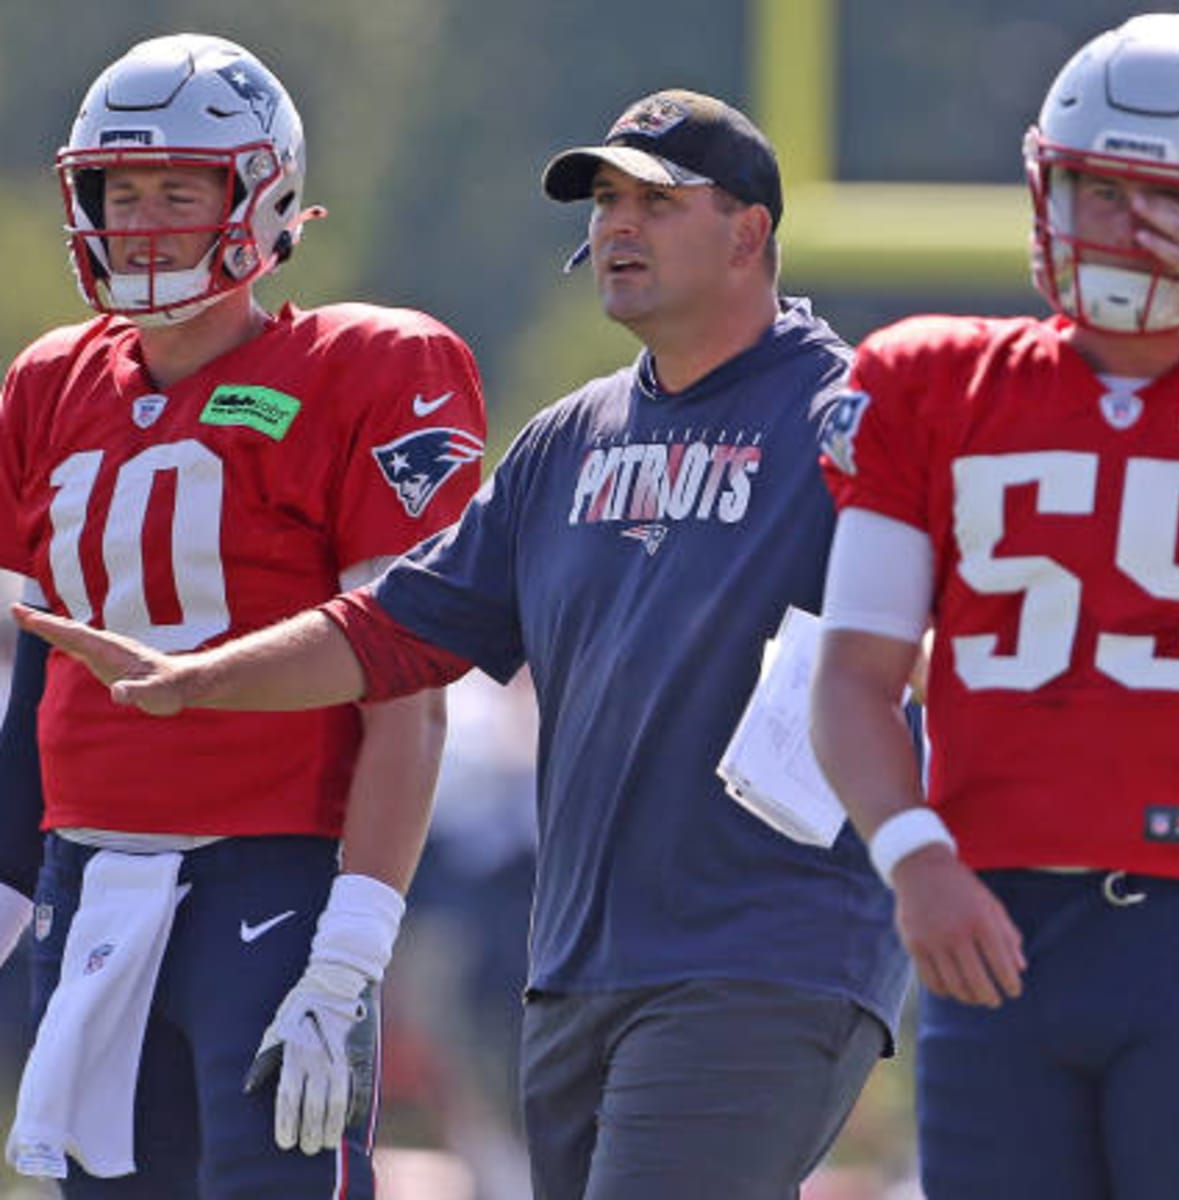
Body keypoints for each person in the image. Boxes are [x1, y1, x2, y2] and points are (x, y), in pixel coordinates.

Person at [13, 89, 912, 1200]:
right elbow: (396, 634)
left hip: (764, 952)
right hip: (578, 966)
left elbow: (978, 613)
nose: (615, 226)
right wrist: (193, 678)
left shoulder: (854, 411)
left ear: (750, 233)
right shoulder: (569, 439)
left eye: (656, 202)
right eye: (603, 199)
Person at [0, 32, 486, 1199]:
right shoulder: (50, 382)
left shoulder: (370, 366)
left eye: (183, 187)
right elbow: (36, 679)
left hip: (273, 879)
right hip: (90, 884)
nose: (149, 219)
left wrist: (350, 956)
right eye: (124, 190)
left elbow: (404, 698)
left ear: (263, 199)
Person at [807, 13, 1179, 1200]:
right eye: (1093, 191)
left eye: (1161, 200)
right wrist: (915, 856)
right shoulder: (931, 382)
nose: (1120, 232)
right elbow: (855, 676)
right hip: (996, 927)